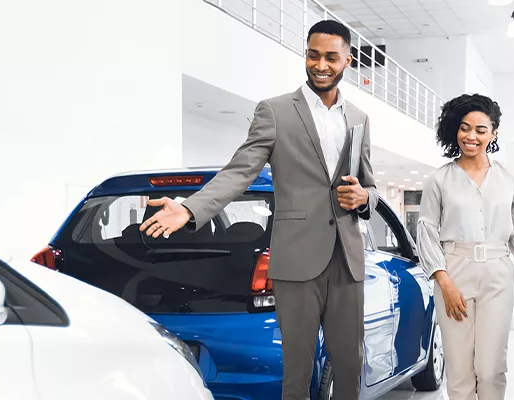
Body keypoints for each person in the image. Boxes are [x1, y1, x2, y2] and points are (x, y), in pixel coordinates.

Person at [138, 20, 376, 400]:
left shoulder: (359, 119)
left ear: (348, 59)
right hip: (296, 258)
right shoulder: (276, 111)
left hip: (346, 259)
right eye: (313, 55)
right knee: (297, 371)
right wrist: (189, 208)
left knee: (350, 364)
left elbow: (370, 185)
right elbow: (240, 170)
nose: (320, 65)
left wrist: (365, 198)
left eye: (331, 57)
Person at [415, 94, 514, 400]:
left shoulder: (509, 179)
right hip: (454, 272)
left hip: (498, 273)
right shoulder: (439, 179)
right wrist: (444, 282)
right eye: (464, 128)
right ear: (455, 130)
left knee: (490, 370)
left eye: (480, 129)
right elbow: (426, 230)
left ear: (493, 133)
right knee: (460, 372)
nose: (471, 136)